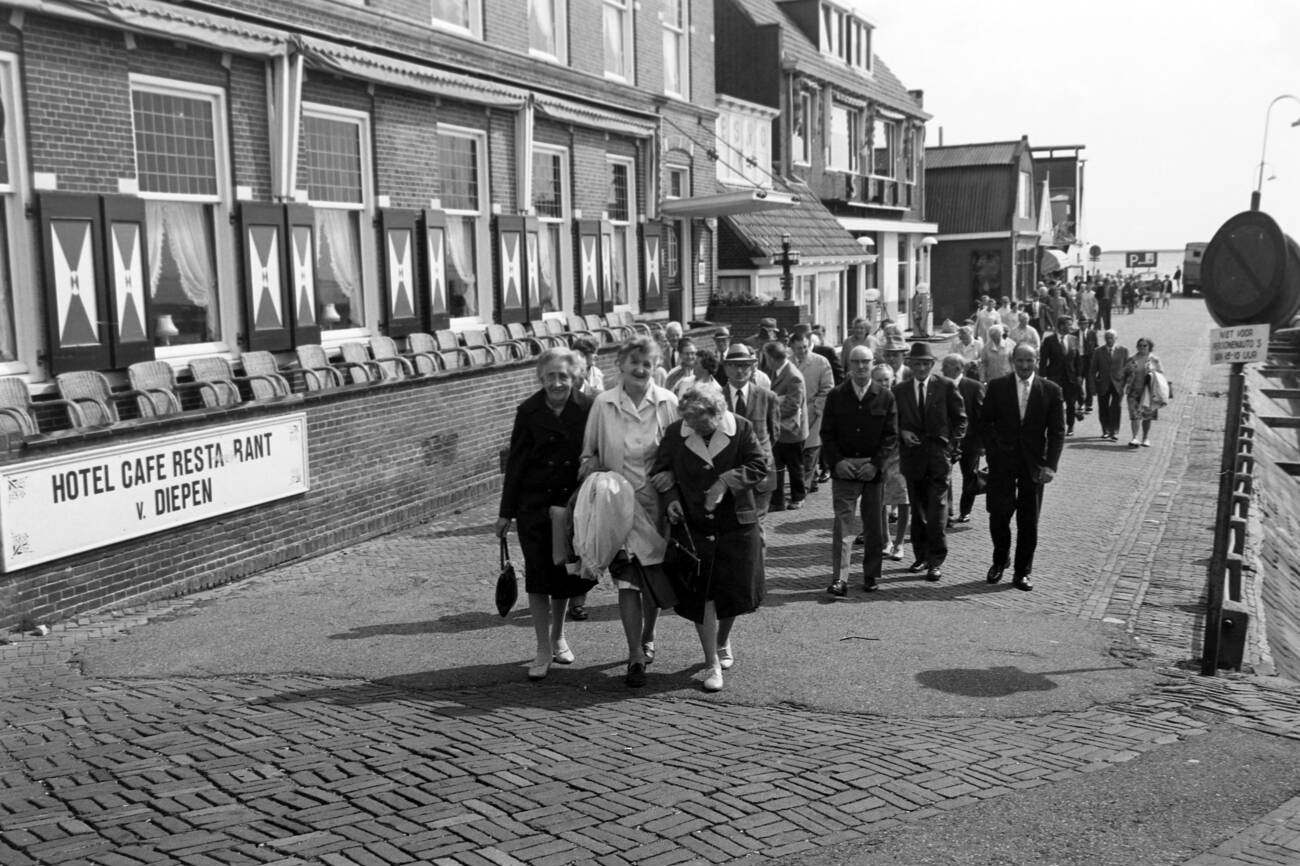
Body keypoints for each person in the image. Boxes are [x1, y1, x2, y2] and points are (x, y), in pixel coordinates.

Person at [653, 386, 767, 693]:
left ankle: (722, 641)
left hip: (736, 524)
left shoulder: (740, 427)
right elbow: (661, 471)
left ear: (717, 414)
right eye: (688, 419)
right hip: (694, 525)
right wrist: (671, 499)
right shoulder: (677, 432)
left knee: (731, 592)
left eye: (701, 420)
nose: (694, 426)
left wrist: (724, 482)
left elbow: (760, 466)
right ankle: (711, 663)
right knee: (702, 593)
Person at [580, 336, 679, 687]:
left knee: (651, 577)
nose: (640, 370)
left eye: (647, 364)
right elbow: (588, 453)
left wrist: (671, 474)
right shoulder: (603, 404)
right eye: (633, 363)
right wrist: (592, 470)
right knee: (626, 580)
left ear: (655, 368)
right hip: (617, 506)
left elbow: (679, 451)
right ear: (619, 365)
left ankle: (648, 636)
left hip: (655, 505)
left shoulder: (667, 402)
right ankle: (635, 653)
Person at [496, 349, 594, 680]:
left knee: (564, 576)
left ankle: (558, 637)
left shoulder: (589, 407)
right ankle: (541, 648)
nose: (556, 382)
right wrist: (505, 512)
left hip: (570, 507)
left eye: (563, 376)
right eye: (550, 376)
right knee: (538, 578)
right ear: (541, 377)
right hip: (534, 507)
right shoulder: (528, 411)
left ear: (575, 377)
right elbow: (517, 463)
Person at [979, 343, 1065, 590]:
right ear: (1012, 360)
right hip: (1002, 463)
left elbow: (1057, 432)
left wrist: (1050, 466)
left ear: (1037, 360)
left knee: (1028, 521)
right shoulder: (997, 387)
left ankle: (1022, 572)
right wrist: (994, 452)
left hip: (1033, 466)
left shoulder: (1051, 390)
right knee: (999, 515)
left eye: (1030, 360)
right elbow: (985, 423)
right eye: (1020, 361)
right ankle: (999, 560)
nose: (1025, 366)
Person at [821, 346, 898, 595]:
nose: (861, 367)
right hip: (844, 469)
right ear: (848, 365)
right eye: (855, 362)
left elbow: (890, 436)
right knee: (842, 526)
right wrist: (837, 462)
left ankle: (871, 574)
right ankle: (839, 578)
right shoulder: (836, 396)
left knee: (874, 526)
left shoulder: (885, 397)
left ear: (873, 363)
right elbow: (827, 434)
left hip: (873, 471)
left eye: (865, 362)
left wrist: (876, 464)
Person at [893, 342, 966, 581]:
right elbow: (892, 421)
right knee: (918, 511)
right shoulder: (900, 390)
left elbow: (961, 420)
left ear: (932, 365)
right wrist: (902, 432)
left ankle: (936, 560)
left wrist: (951, 448)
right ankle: (921, 556)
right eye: (917, 363)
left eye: (926, 363)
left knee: (936, 513)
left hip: (938, 458)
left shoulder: (944, 386)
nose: (922, 368)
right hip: (913, 459)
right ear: (910, 364)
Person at [720, 344, 780, 516]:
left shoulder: (768, 397)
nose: (740, 370)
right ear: (725, 368)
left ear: (753, 367)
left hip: (760, 474)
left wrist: (760, 455)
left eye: (745, 365)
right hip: (728, 475)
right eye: (734, 365)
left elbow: (774, 434)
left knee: (758, 528)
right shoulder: (716, 399)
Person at [761, 340, 808, 511]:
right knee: (778, 466)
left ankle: (798, 497)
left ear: (772, 358)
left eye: (766, 357)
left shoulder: (793, 375)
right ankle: (777, 500)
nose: (765, 360)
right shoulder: (775, 372)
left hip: (792, 431)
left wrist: (772, 406)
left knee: (795, 466)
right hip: (780, 430)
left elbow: (792, 405)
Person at [941, 353, 984, 524]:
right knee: (944, 475)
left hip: (970, 441)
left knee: (970, 476)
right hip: (948, 441)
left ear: (958, 368)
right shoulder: (940, 386)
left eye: (946, 366)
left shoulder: (974, 387)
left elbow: (982, 417)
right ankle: (948, 512)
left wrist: (982, 444)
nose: (942, 369)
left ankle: (965, 510)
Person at [790, 330, 833, 494]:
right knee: (799, 451)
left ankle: (804, 488)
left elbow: (828, 389)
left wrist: (815, 408)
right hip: (794, 413)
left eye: (805, 347)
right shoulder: (787, 363)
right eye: (798, 348)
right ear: (792, 348)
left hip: (814, 411)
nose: (802, 351)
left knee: (811, 450)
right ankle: (812, 480)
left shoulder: (821, 362)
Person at [1039, 316, 1084, 437]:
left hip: (1071, 377)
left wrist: (1079, 375)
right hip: (1055, 377)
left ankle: (1070, 426)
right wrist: (1042, 377)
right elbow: (1043, 361)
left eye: (1071, 324)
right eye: (1068, 325)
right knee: (1055, 403)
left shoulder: (1074, 339)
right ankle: (1056, 425)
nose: (1071, 327)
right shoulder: (1049, 341)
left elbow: (1078, 360)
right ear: (1061, 326)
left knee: (1071, 403)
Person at [1123, 337, 1166, 447]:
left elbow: (1161, 374)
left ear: (1149, 347)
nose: (1142, 347)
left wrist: (1152, 371)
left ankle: (1145, 438)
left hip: (1149, 392)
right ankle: (1134, 437)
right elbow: (1124, 373)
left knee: (1147, 416)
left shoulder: (1154, 360)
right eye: (1140, 345)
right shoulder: (1131, 359)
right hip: (1134, 391)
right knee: (1134, 415)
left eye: (1144, 345)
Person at [1090, 329, 1128, 441]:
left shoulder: (1123, 350)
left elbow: (1127, 368)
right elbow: (1092, 370)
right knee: (1103, 408)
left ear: (1116, 339)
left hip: (1118, 384)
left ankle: (1114, 431)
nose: (1109, 340)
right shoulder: (1098, 351)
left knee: (1116, 407)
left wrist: (1125, 383)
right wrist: (1092, 386)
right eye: (1107, 338)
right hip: (1103, 383)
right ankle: (1105, 430)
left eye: (1111, 337)